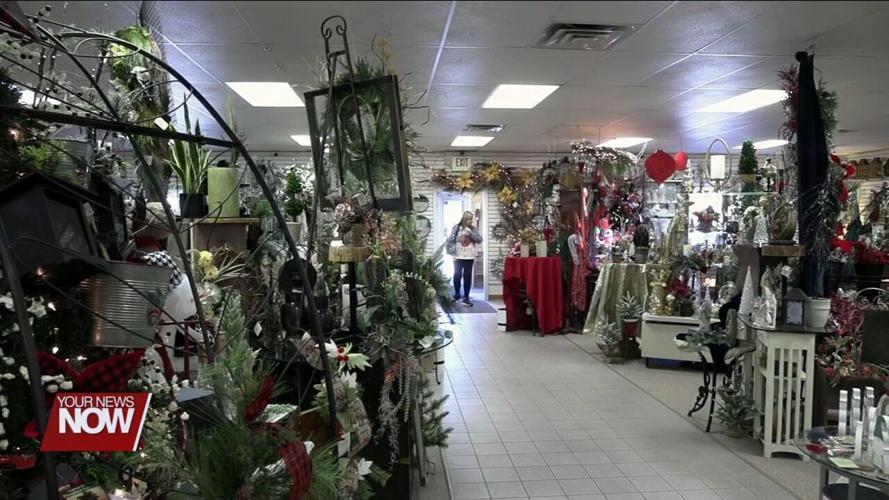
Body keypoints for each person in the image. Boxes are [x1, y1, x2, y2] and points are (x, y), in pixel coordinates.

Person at [449, 211, 482, 306]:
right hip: (458, 256)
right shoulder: (456, 227)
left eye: (471, 219)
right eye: (468, 219)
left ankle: (466, 297)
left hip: (469, 256)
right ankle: (457, 294)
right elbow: (450, 240)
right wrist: (456, 241)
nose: (470, 221)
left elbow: (479, 239)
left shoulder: (473, 229)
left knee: (467, 276)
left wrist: (471, 233)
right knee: (457, 275)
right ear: (464, 218)